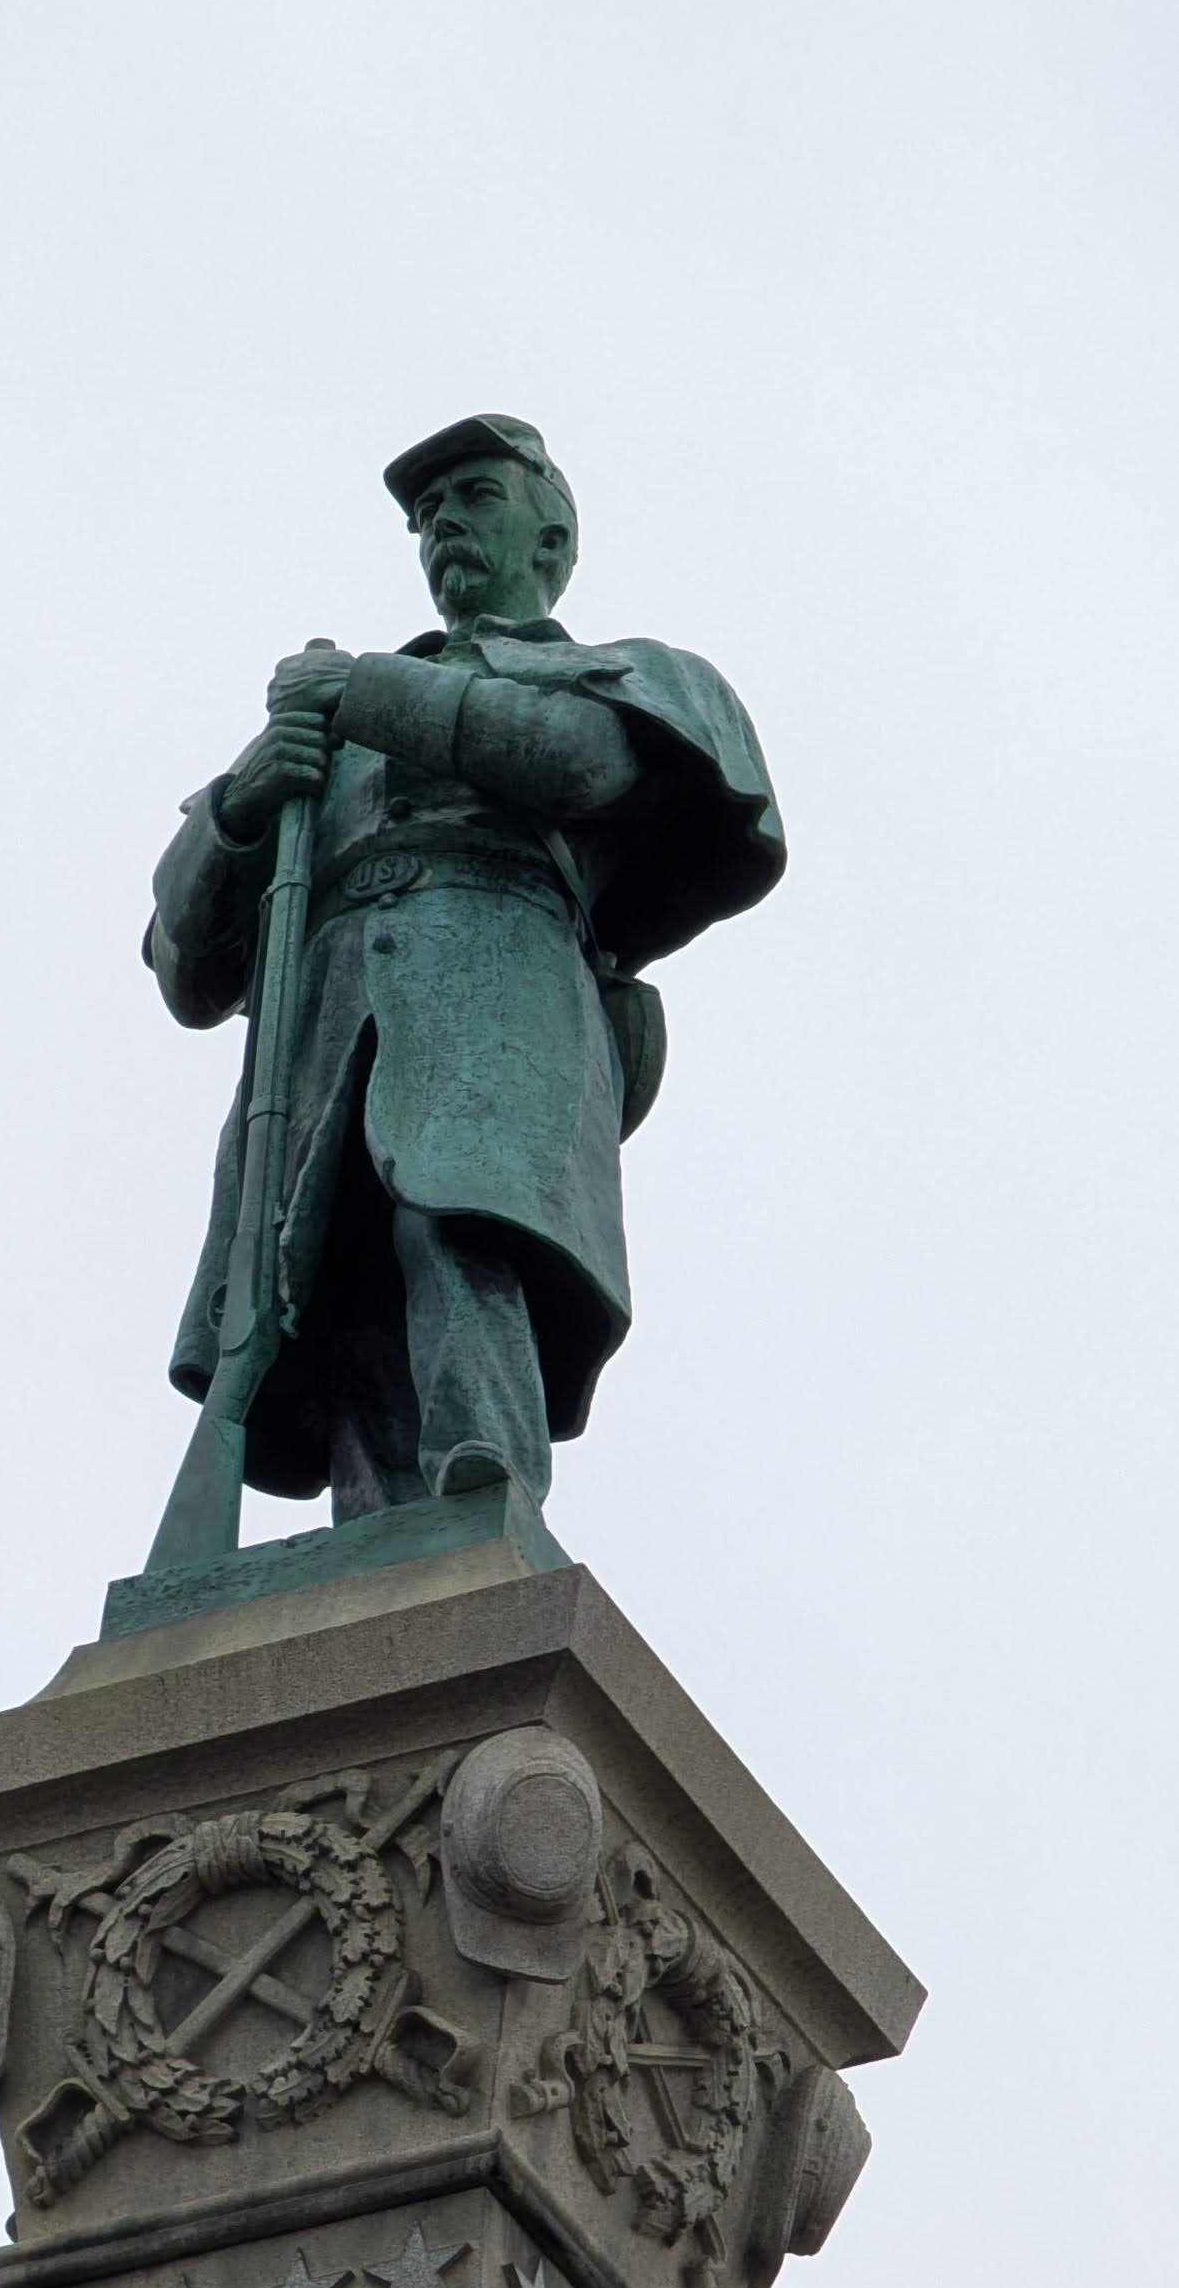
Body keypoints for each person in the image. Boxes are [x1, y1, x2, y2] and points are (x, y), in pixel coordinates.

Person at [147, 414, 787, 1519]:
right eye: (427, 511)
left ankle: (482, 1482)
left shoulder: (614, 675)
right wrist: (246, 803)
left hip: (499, 987)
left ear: (553, 536)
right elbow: (185, 967)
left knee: (454, 1222)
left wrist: (370, 695)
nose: (444, 519)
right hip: (324, 1022)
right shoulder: (327, 731)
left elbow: (575, 765)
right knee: (333, 1276)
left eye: (477, 496)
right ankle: (383, 1527)